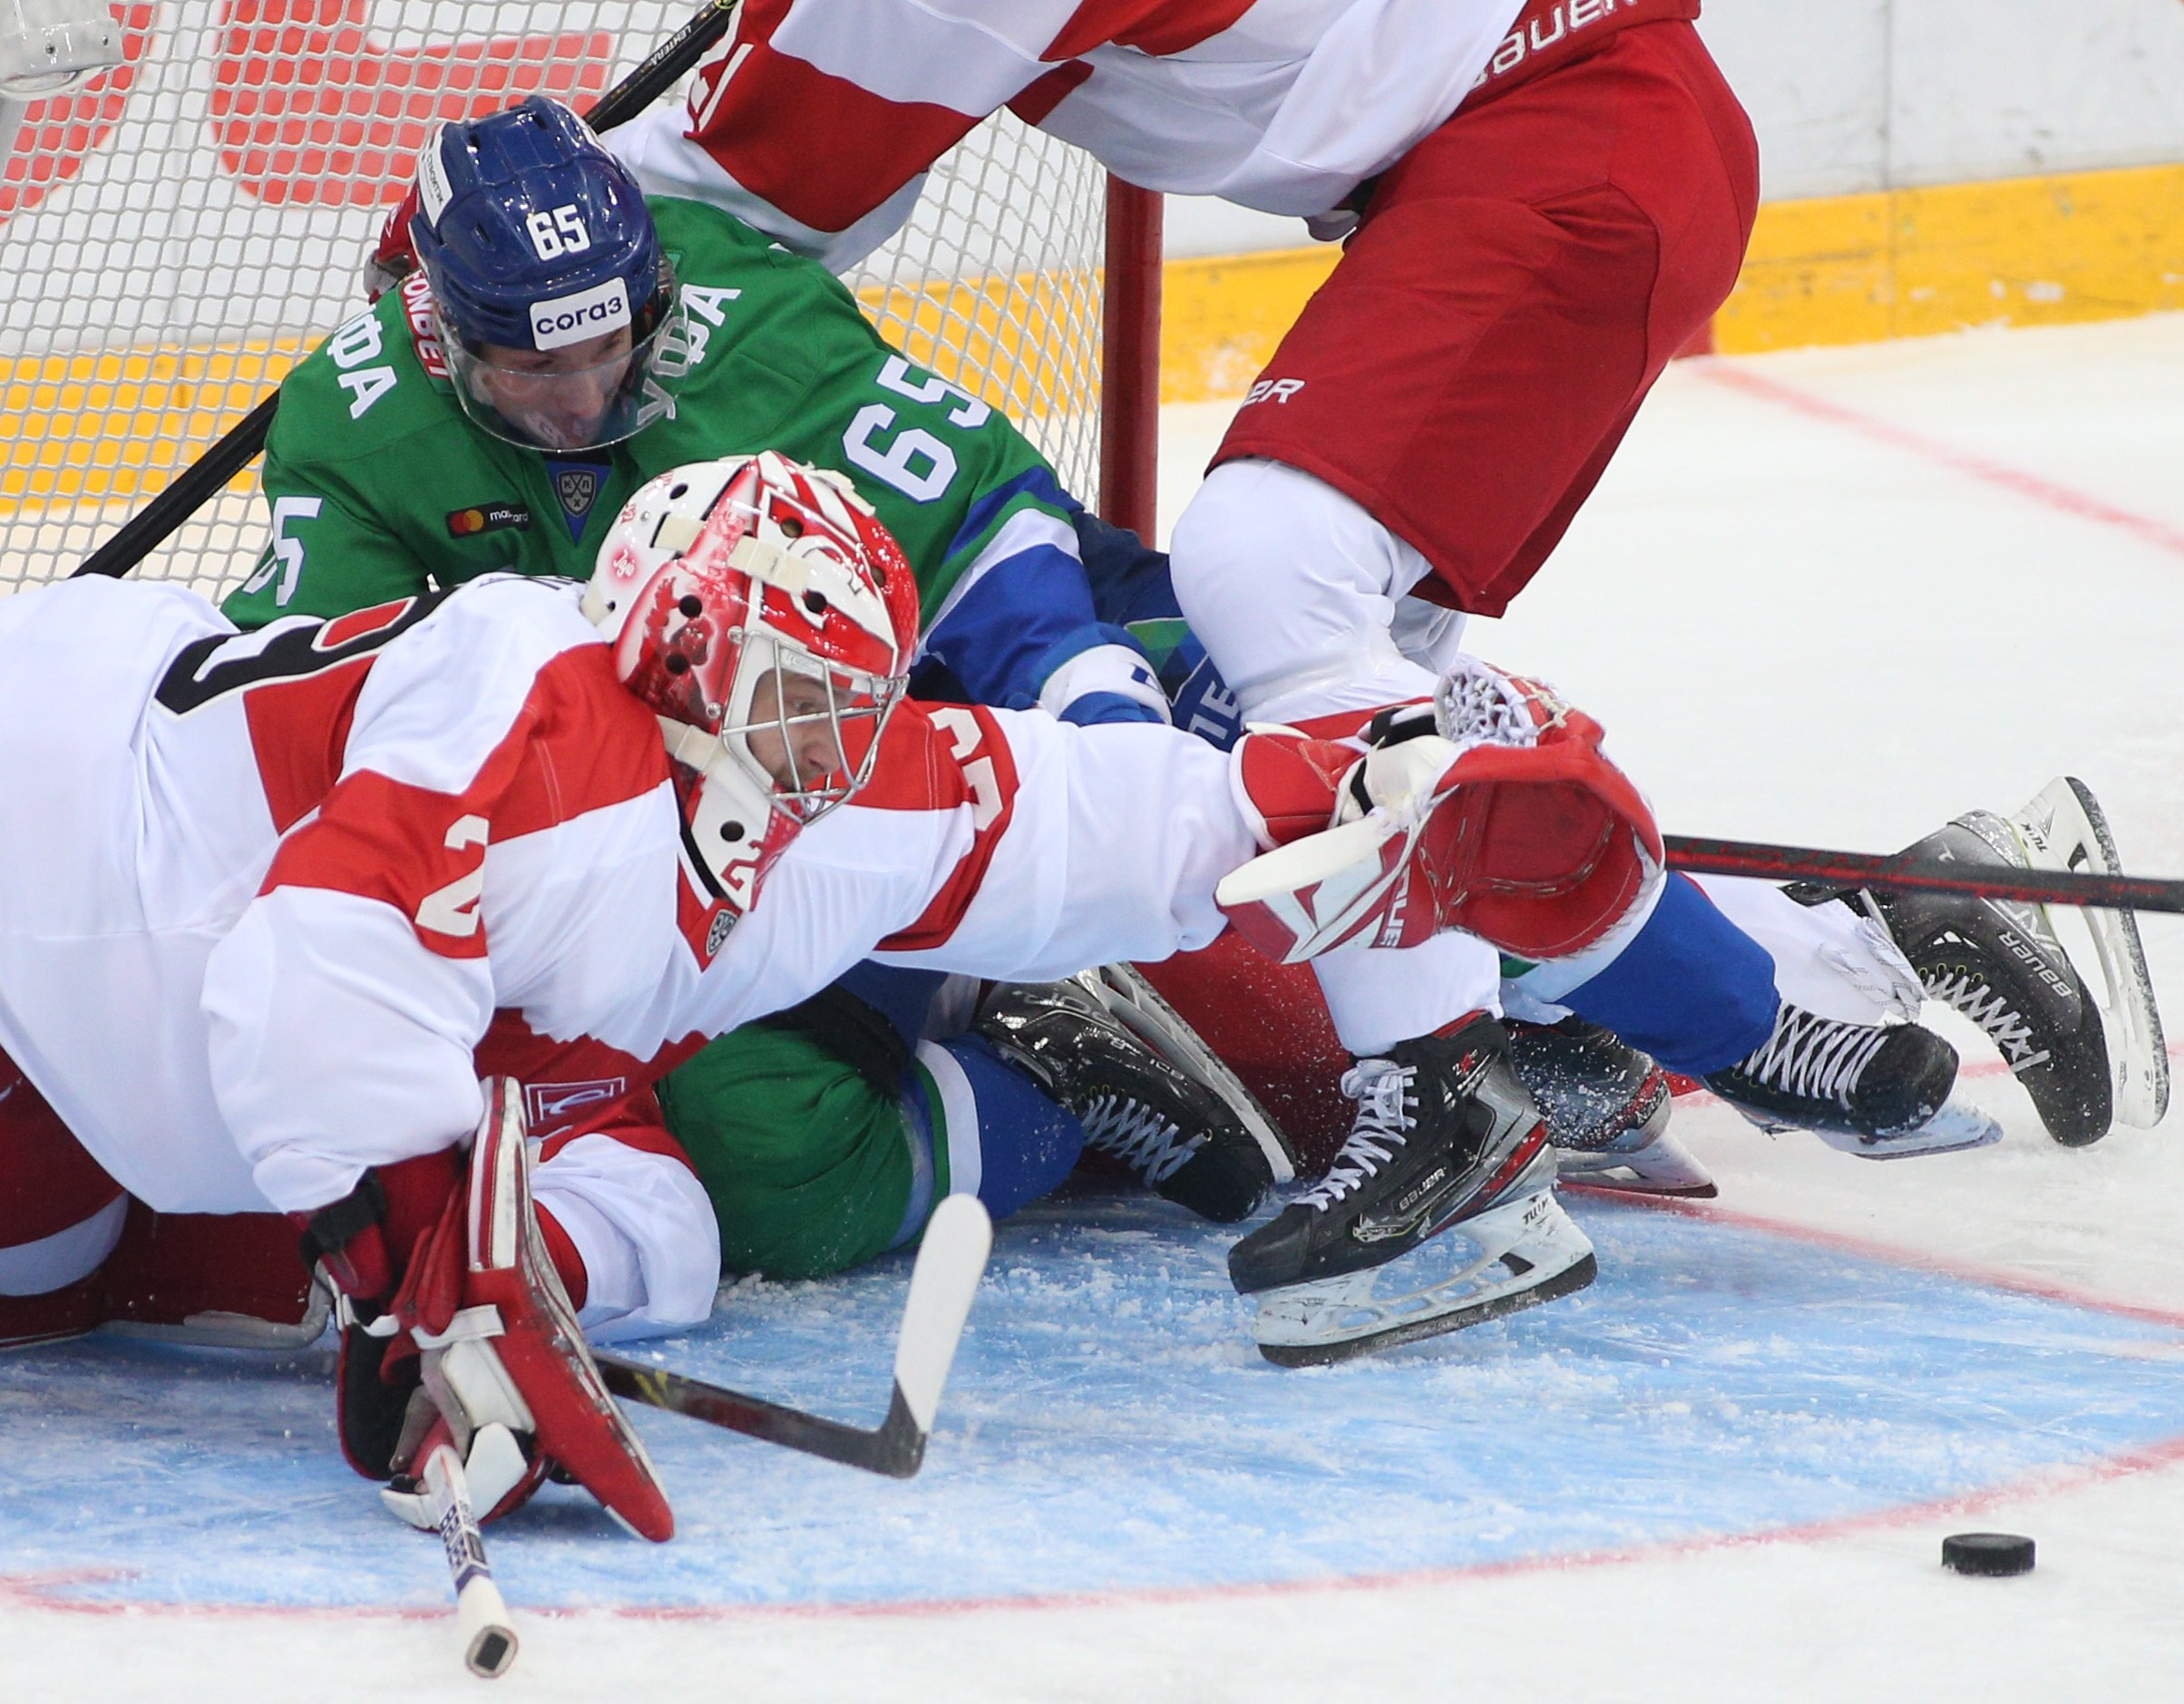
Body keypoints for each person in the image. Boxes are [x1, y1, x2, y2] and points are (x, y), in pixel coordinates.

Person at [608, 0, 2160, 1208]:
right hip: (1536, 148)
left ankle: (1441, 1106)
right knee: (1340, 759)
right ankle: (1880, 933)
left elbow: (720, 219)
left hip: (1557, 143)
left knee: (1266, 575)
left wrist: (456, 269)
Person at [0, 449, 1691, 1540]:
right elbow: (322, 956)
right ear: (657, 639)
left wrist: (1313, 799)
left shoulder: (832, 800)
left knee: (44, 1275)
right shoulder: (533, 710)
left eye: (837, 706)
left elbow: (1057, 818)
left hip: (149, 1051)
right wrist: (423, 1284)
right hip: (44, 838)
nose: (804, 758)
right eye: (775, 695)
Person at [229, 93, 1295, 1250]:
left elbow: (983, 528)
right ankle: (1051, 1065)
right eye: (533, 366)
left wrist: (1099, 723)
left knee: (1257, 716)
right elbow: (302, 709)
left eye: (609, 344)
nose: (585, 396)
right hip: (674, 805)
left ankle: (1490, 1006)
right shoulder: (354, 424)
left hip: (910, 709)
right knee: (763, 1162)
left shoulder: (744, 319)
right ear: (438, 328)